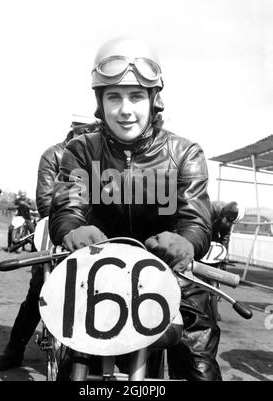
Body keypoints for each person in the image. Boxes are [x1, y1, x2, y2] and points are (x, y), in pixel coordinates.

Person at [48, 37, 219, 381]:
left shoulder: (185, 152)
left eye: (136, 96)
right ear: (100, 102)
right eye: (114, 96)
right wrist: (71, 228)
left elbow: (196, 220)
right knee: (75, 366)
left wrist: (185, 241)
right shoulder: (80, 149)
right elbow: (68, 206)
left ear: (154, 100)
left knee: (197, 362)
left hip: (171, 274)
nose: (125, 109)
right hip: (97, 271)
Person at [0, 117, 98, 373]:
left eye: (95, 131)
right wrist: (71, 226)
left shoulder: (102, 154)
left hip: (95, 237)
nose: (92, 135)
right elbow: (47, 201)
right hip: (60, 231)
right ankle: (14, 351)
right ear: (74, 131)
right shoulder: (55, 154)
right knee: (40, 288)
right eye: (87, 131)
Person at [209, 200, 245, 321]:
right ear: (226, 214)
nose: (228, 224)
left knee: (215, 273)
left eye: (231, 223)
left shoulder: (227, 223)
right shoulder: (211, 209)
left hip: (212, 242)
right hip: (202, 235)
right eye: (229, 221)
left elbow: (225, 237)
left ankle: (214, 307)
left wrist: (223, 255)